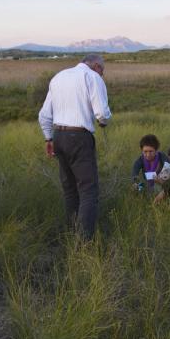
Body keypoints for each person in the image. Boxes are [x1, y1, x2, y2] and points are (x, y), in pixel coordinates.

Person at [38, 54, 112, 239]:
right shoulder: (92, 77)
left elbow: (44, 114)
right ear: (97, 66)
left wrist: (48, 138)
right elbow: (102, 114)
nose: (102, 75)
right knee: (88, 191)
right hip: (79, 137)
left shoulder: (58, 77)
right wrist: (103, 122)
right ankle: (84, 242)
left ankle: (72, 234)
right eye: (102, 70)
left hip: (58, 136)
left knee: (70, 190)